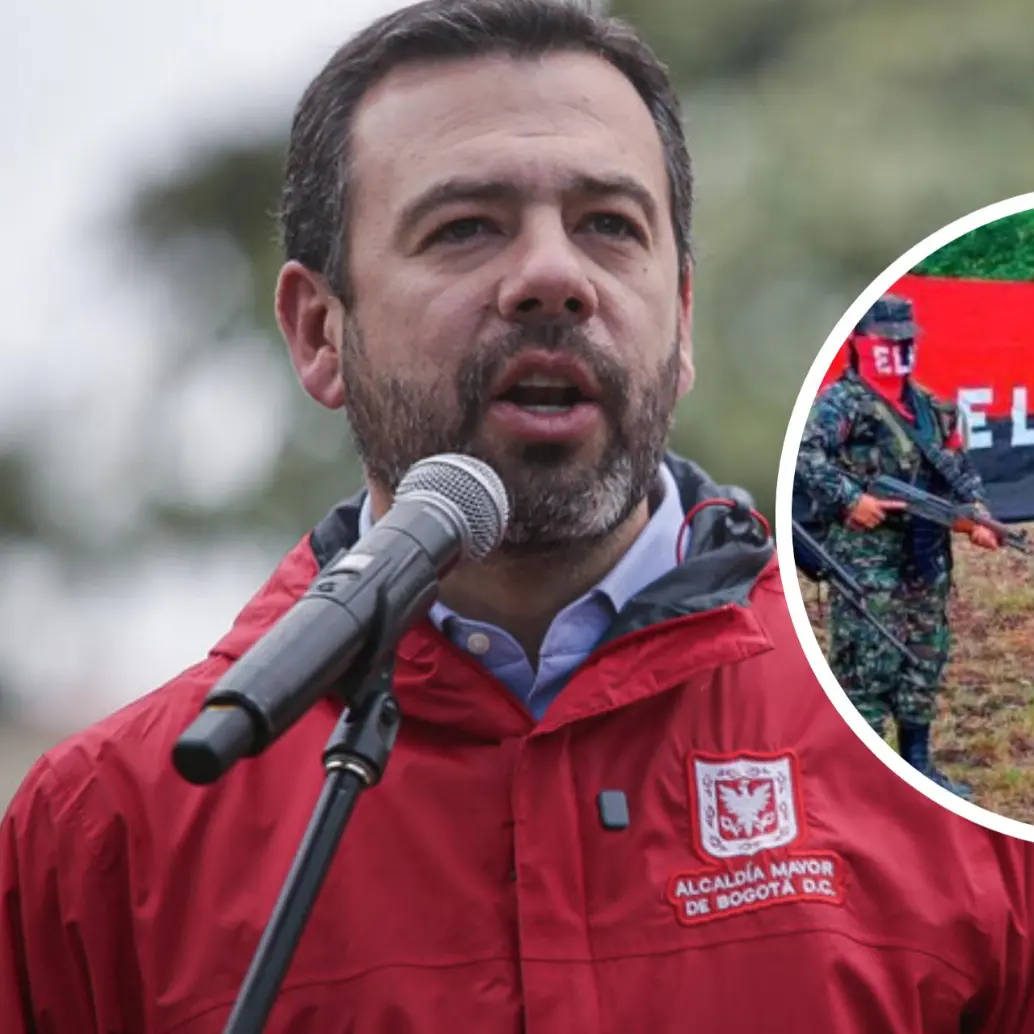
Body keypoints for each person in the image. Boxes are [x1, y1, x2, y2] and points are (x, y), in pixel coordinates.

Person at [2, 3, 1033, 1032]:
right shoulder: (105, 834)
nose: (551, 277)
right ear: (319, 331)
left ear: (679, 319)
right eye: (464, 228)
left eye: (606, 226)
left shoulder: (958, 802)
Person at [794, 293, 999, 797]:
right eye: (889, 340)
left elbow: (958, 470)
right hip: (867, 562)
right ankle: (859, 783)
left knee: (924, 661)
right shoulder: (842, 405)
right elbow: (802, 453)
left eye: (907, 340)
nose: (900, 349)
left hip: (926, 558)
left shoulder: (932, 409)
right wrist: (851, 499)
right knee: (866, 668)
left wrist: (977, 515)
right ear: (860, 344)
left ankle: (917, 769)